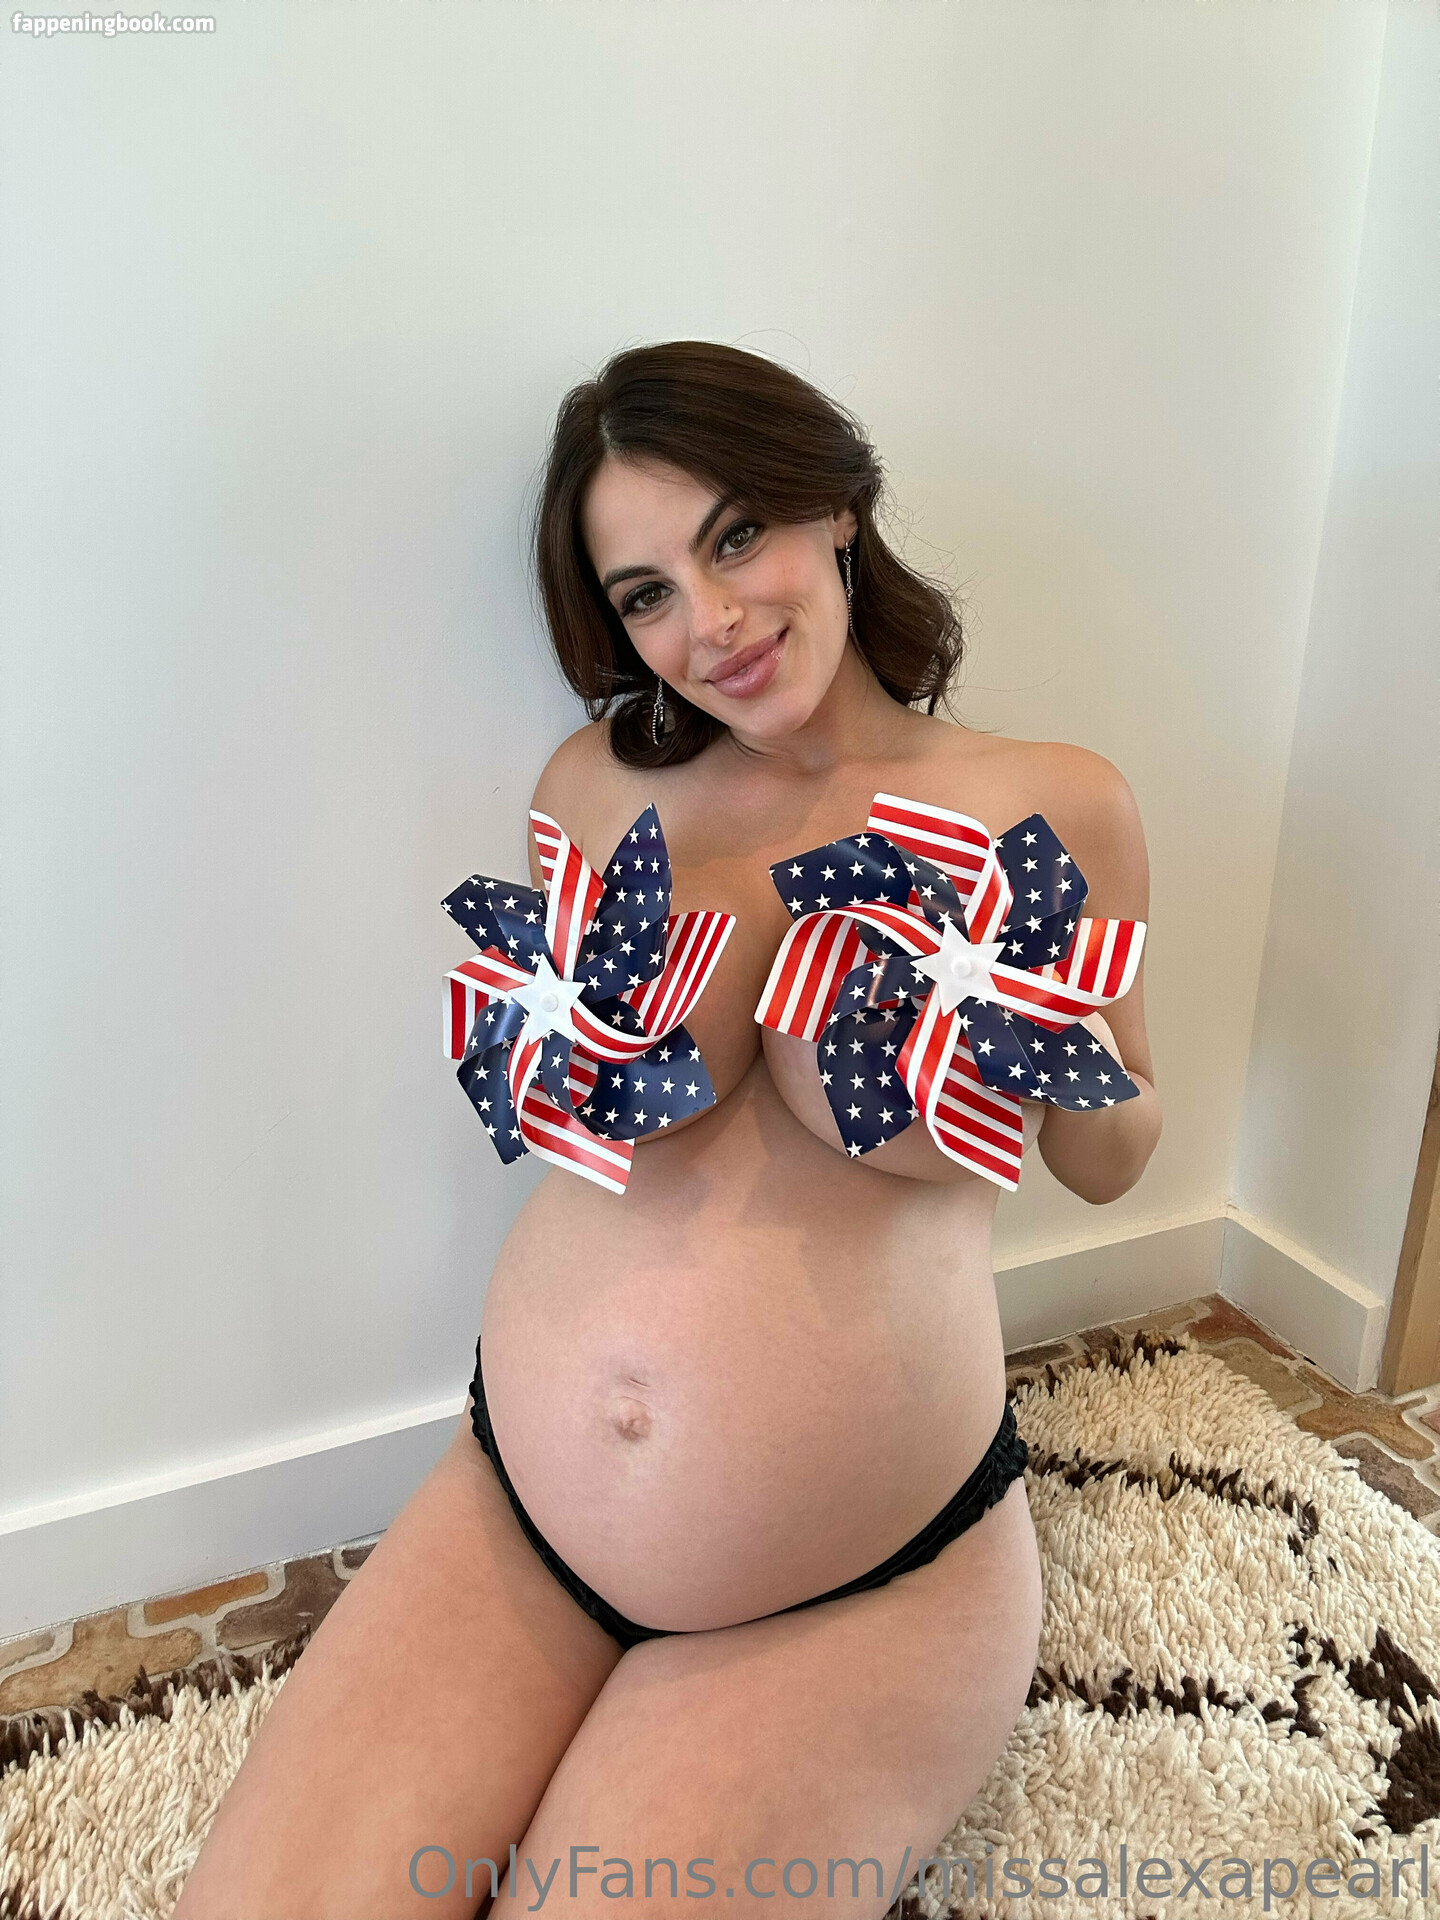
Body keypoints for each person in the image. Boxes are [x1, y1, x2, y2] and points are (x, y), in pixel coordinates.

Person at [175, 341, 1161, 1920]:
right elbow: (568, 1111)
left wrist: (1068, 1050)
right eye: (646, 593)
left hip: (855, 1580)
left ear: (836, 508)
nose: (712, 622)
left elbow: (1115, 1159)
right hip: (518, 1512)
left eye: (736, 536)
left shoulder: (1045, 806)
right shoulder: (589, 792)